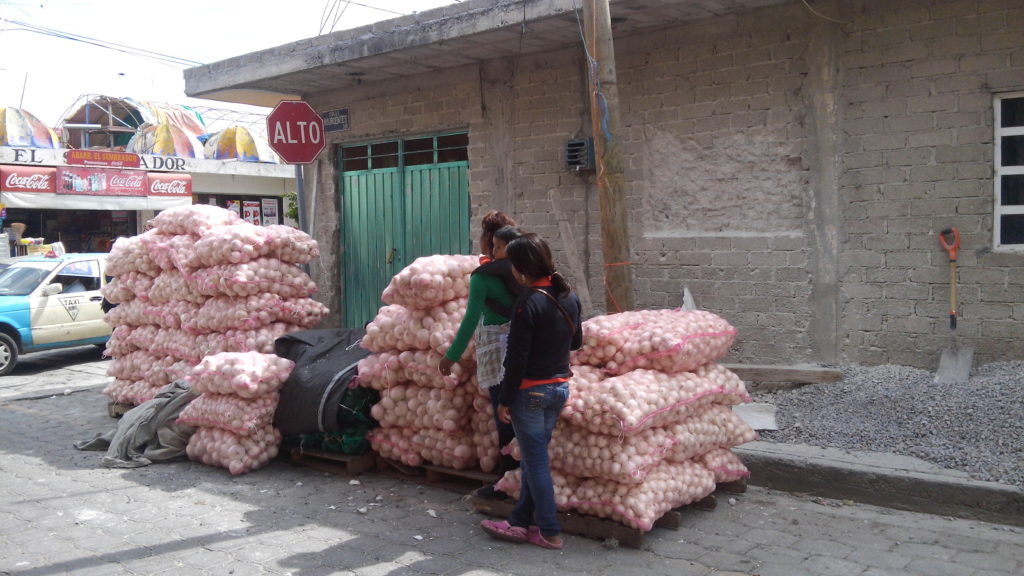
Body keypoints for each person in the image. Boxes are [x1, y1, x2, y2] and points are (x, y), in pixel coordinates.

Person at [479, 233, 583, 550]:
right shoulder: (569, 297)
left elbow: (516, 359)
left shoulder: (527, 304)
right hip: (558, 389)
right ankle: (520, 521)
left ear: (520, 268)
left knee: (535, 463)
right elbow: (576, 342)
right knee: (533, 459)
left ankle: (550, 530)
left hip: (530, 394)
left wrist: (505, 400)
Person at [439, 212, 522, 494]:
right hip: (526, 348)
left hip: (498, 354)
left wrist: (451, 356)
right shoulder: (525, 269)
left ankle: (506, 480)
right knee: (521, 415)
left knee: (504, 416)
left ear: (489, 241)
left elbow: (470, 319)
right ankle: (520, 476)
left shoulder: (483, 277)